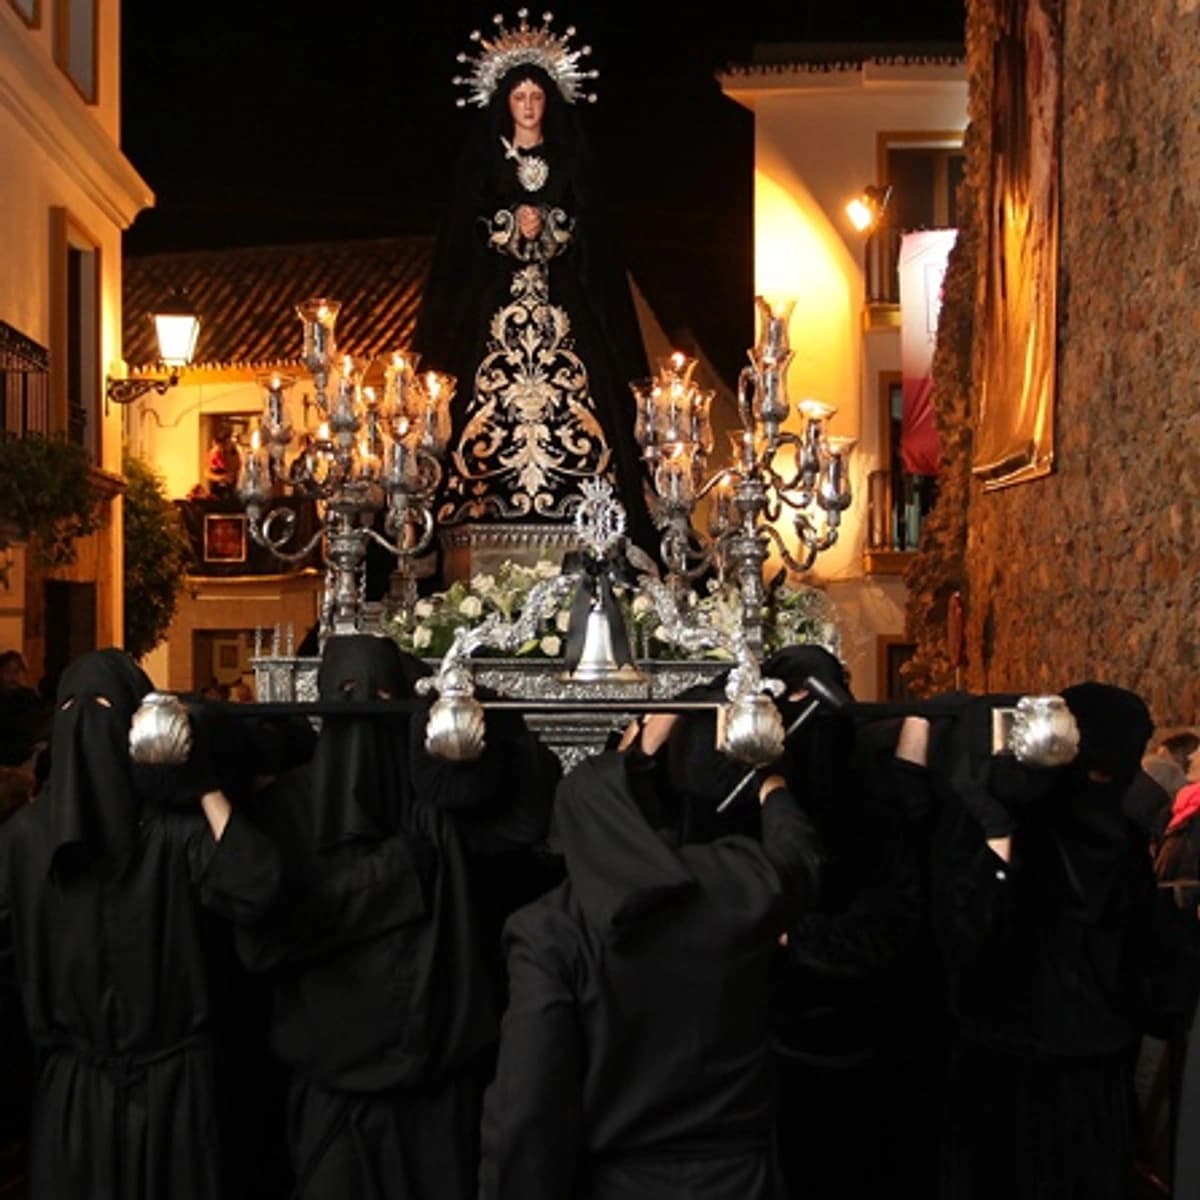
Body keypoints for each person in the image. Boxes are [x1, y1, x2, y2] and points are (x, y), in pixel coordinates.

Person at [478, 703, 824, 1199]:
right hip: (741, 1182)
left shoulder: (550, 930)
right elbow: (798, 859)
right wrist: (772, 785)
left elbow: (528, 1105)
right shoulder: (734, 881)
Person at [0, 647, 285, 1199]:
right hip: (112, 1094)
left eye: (101, 709)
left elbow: (259, 888)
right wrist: (202, 787)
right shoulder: (32, 841)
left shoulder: (26, 838)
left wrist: (198, 783)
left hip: (143, 1095)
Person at [234, 634, 494, 1200]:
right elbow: (263, 937)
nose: (363, 711)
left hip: (434, 1098)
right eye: (347, 695)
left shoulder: (433, 800)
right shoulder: (286, 810)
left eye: (381, 695)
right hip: (335, 1098)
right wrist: (396, 874)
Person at [926, 682, 1200, 1200]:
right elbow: (1159, 991)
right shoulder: (1120, 850)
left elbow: (962, 942)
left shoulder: (1002, 823)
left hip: (996, 1090)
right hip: (1088, 1096)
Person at [412, 14, 657, 564]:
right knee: (469, 403)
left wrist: (548, 226)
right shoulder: (482, 162)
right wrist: (504, 224)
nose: (527, 105)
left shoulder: (571, 160)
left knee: (593, 399)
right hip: (495, 305)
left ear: (549, 102)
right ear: (504, 102)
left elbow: (593, 231)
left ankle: (592, 507)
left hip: (563, 304)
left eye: (536, 96)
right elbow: (462, 232)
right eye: (518, 96)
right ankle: (473, 504)